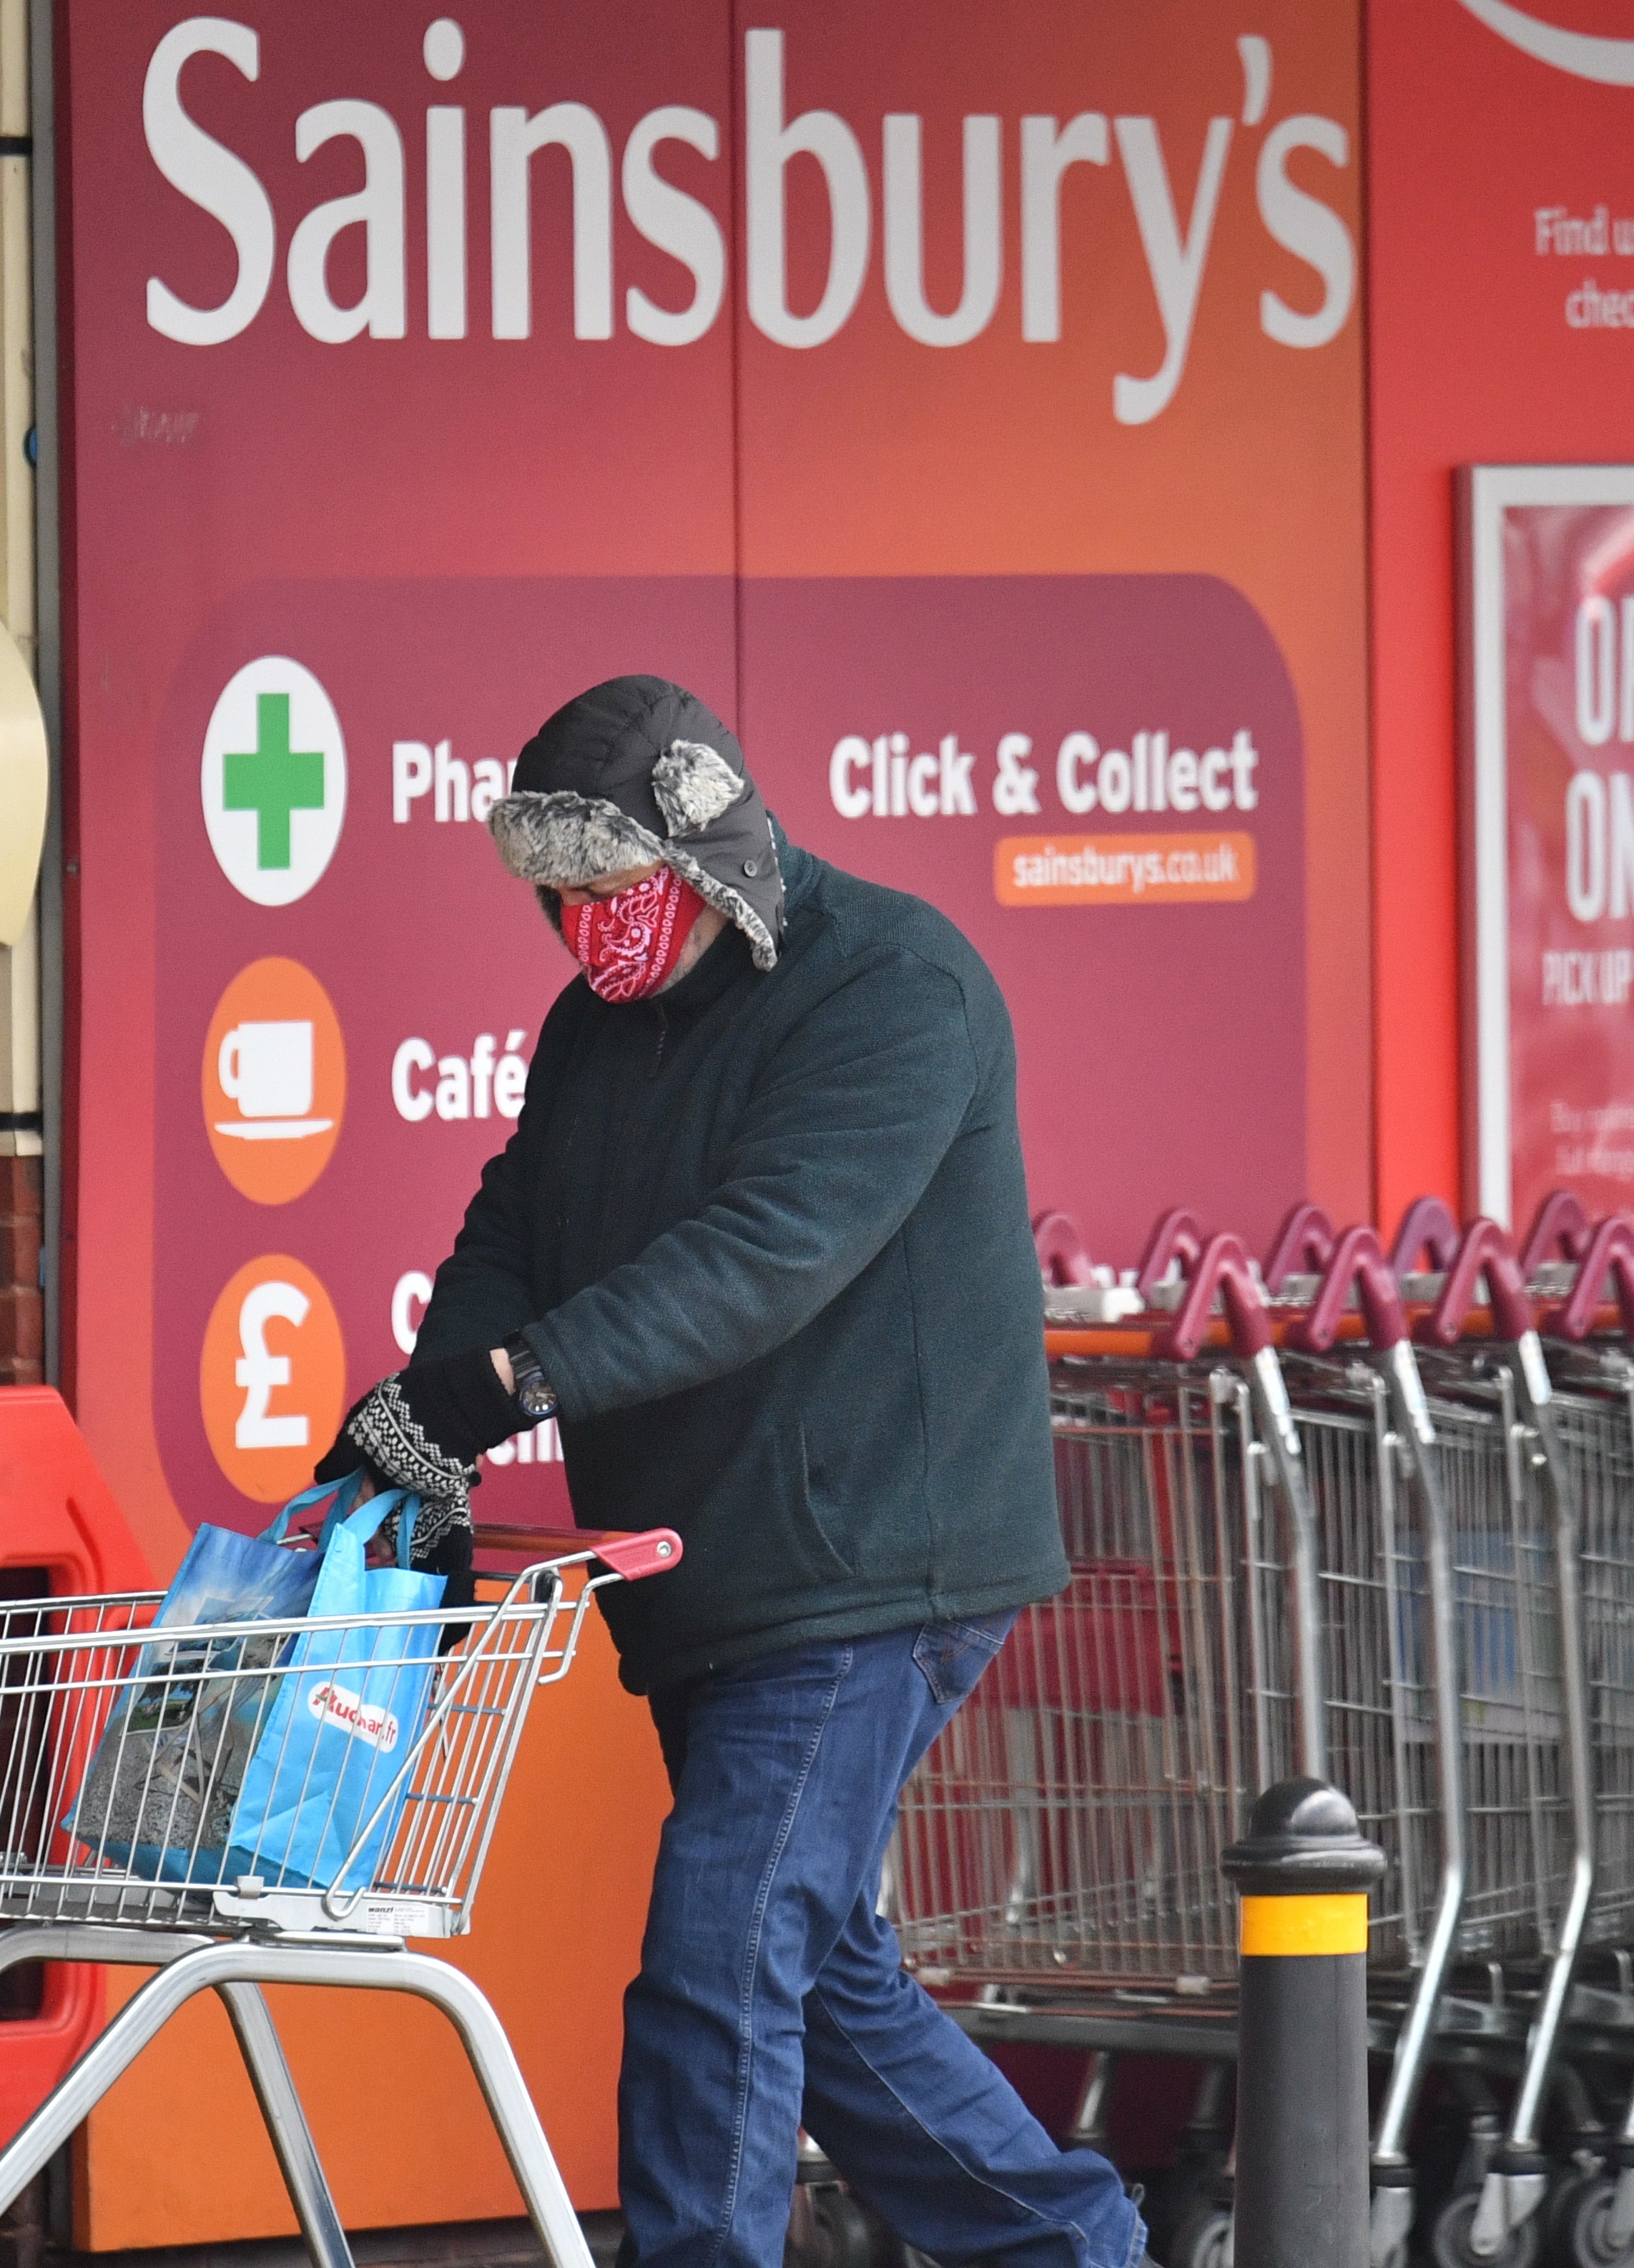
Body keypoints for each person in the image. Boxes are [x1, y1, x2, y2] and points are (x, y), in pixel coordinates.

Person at [318, 674, 1142, 2268]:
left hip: (868, 1564)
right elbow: (518, 1225)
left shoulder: (898, 989)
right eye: (557, 895)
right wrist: (429, 1413)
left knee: (728, 1941)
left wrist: (514, 1382)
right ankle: (1077, 2250)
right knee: (817, 1972)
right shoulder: (595, 1027)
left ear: (713, 851)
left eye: (610, 888)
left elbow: (768, 1254)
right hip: (711, 1569)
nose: (580, 923)